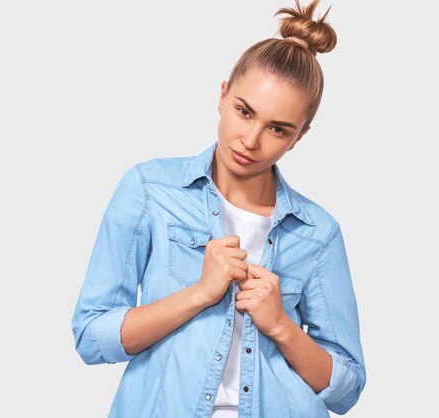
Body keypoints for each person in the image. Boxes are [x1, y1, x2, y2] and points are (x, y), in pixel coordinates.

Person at [71, 1, 366, 416]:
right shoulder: (150, 190)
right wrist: (200, 294)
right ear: (223, 95)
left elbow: (346, 390)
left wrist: (281, 326)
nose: (251, 140)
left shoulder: (318, 233)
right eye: (244, 112)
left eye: (278, 129)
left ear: (299, 137)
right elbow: (90, 336)